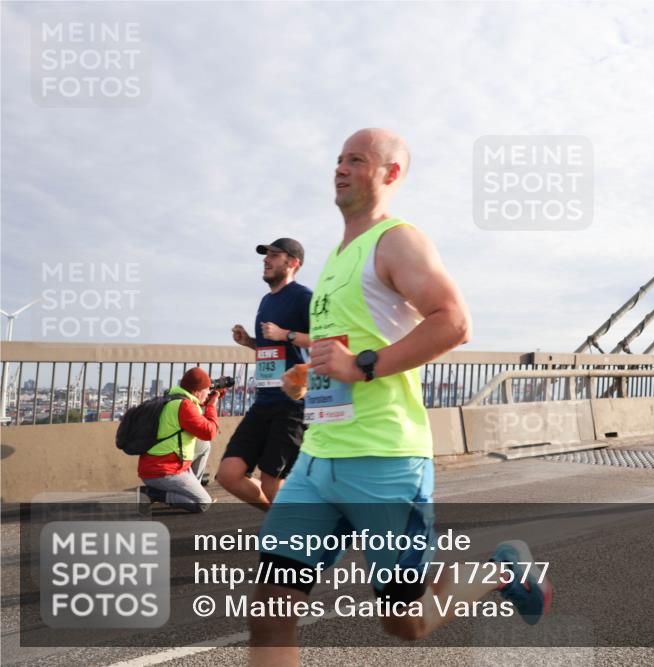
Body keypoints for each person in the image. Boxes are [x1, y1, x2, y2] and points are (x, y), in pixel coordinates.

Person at [248, 129, 551, 663]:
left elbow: (454, 322)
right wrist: (314, 375)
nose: (340, 168)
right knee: (270, 607)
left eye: (357, 160)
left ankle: (504, 571)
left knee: (405, 623)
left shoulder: (397, 240)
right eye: (339, 159)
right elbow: (342, 346)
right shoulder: (339, 257)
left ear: (391, 174)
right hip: (319, 459)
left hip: (383, 459)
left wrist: (363, 368)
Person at [216, 238, 313, 510]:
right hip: (264, 402)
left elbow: (328, 340)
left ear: (293, 263)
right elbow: (274, 350)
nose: (266, 259)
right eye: (265, 255)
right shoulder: (266, 301)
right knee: (229, 475)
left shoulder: (304, 298)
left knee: (272, 483)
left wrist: (286, 334)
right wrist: (249, 342)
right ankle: (283, 520)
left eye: (274, 255)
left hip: (293, 404)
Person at [137, 367, 222, 513]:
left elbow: (198, 425)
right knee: (202, 503)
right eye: (207, 389)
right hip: (163, 471)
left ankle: (191, 489)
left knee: (203, 445)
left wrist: (208, 401)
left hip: (156, 465)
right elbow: (209, 432)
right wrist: (211, 406)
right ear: (196, 391)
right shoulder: (185, 406)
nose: (209, 392)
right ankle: (152, 493)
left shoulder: (172, 398)